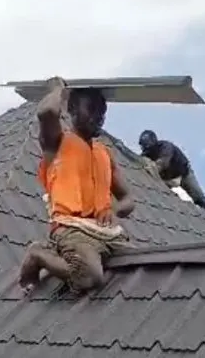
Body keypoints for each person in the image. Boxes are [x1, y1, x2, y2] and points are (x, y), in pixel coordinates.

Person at [19, 77, 134, 294]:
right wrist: (57, 89)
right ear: (71, 109)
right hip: (71, 228)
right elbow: (46, 113)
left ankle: (62, 254)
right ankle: (38, 254)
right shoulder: (56, 142)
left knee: (142, 266)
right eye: (91, 109)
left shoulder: (104, 154)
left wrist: (113, 209)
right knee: (89, 277)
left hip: (105, 231)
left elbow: (129, 200)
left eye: (102, 112)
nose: (98, 117)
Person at [138, 130, 205, 212]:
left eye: (147, 146)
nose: (146, 149)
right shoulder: (146, 154)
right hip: (167, 179)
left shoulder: (166, 147)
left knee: (199, 198)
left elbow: (163, 163)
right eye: (144, 146)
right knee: (161, 194)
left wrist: (152, 168)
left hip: (184, 174)